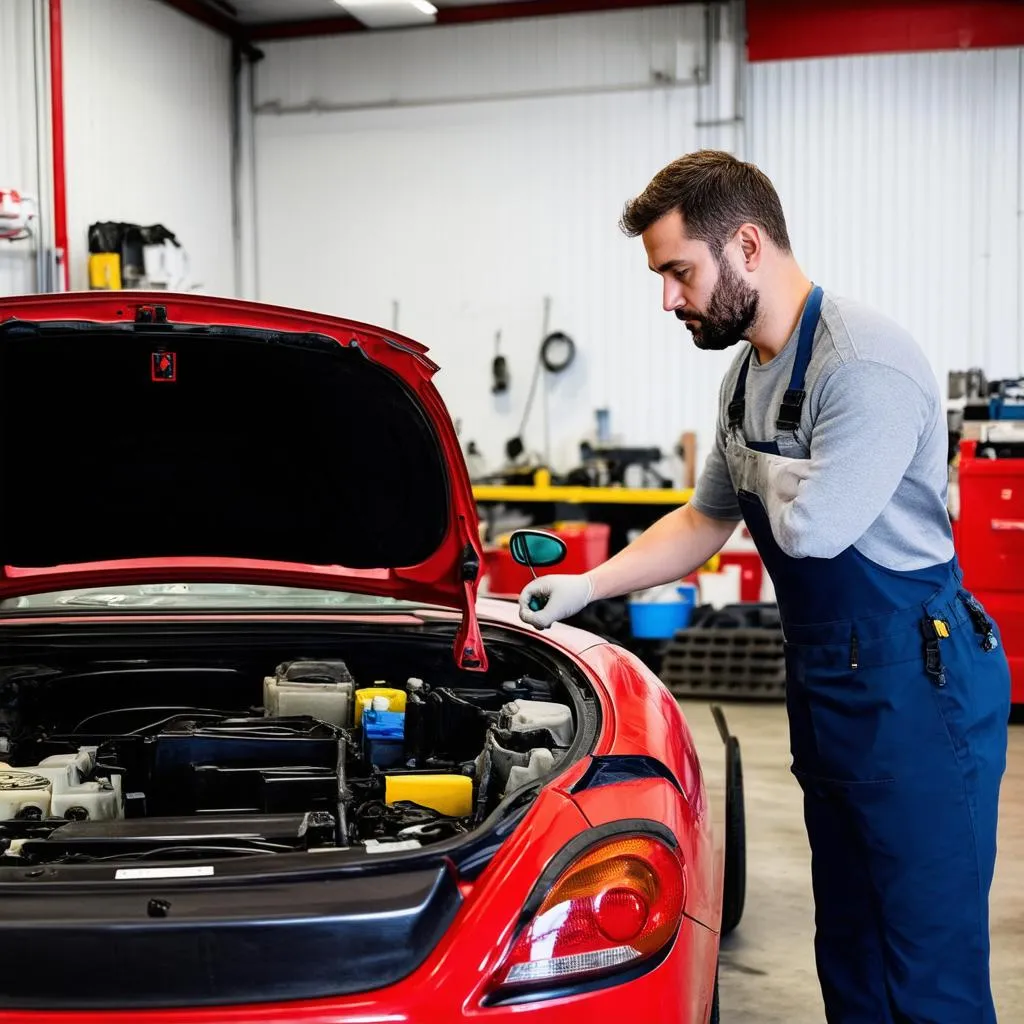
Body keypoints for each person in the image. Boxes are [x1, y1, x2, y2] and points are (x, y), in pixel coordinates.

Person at [518, 150, 1010, 1024]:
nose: (669, 298)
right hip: (831, 682)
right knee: (851, 945)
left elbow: (814, 528)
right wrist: (585, 583)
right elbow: (707, 519)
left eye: (679, 271)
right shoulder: (746, 377)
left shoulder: (863, 365)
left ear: (746, 244)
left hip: (917, 688)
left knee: (926, 962)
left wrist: (770, 475)